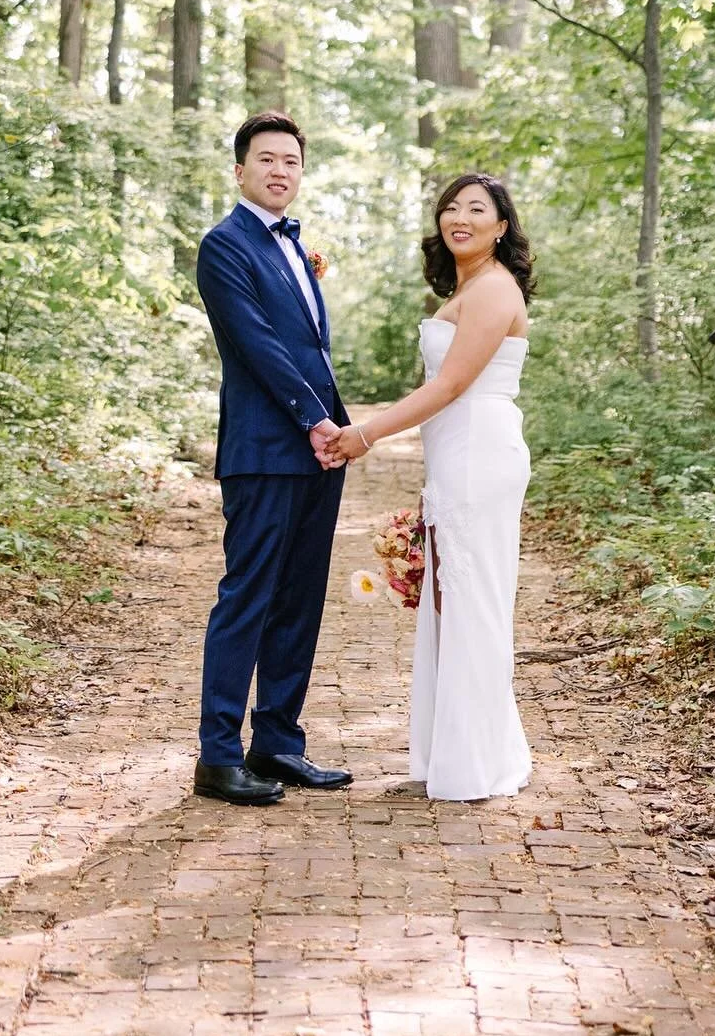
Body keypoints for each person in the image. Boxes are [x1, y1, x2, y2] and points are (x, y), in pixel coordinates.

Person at [330, 173, 535, 801]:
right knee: (451, 603)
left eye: (477, 209)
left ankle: (475, 763)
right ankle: (453, 753)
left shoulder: (495, 290)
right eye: (451, 207)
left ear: (502, 227)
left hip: (480, 449)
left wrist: (363, 434)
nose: (460, 217)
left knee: (472, 602)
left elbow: (447, 388)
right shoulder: (468, 286)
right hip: (456, 454)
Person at [193, 111, 352, 807]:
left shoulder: (297, 246)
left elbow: (312, 347)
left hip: (321, 451)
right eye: (266, 159)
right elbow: (258, 345)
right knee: (249, 596)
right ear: (240, 170)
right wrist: (314, 420)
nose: (279, 170)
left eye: (290, 160)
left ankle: (279, 741)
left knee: (300, 599)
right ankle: (218, 754)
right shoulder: (223, 245)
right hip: (264, 448)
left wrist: (334, 430)